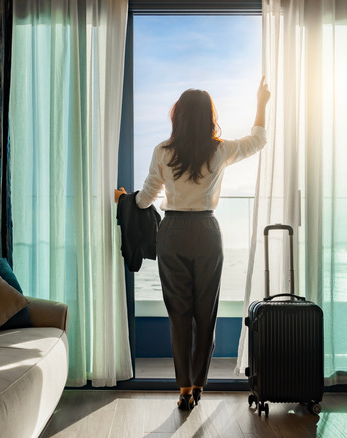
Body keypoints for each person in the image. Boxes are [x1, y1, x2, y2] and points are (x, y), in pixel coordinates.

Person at [116, 76, 271, 410]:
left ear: (178, 116)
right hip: (207, 233)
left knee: (179, 315)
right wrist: (261, 102)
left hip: (171, 233)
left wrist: (124, 200)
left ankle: (184, 388)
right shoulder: (221, 149)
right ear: (208, 118)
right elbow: (258, 140)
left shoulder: (162, 151)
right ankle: (199, 383)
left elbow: (144, 201)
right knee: (206, 314)